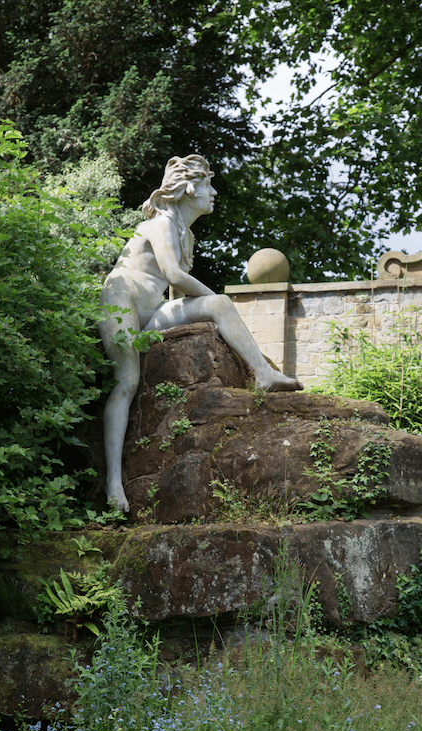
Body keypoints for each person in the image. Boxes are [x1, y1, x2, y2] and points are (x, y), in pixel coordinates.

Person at [98, 155, 303, 511]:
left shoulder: (185, 234)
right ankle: (114, 484)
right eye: (207, 185)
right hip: (119, 302)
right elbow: (175, 277)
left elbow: (176, 293)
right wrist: (210, 301)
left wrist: (209, 311)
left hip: (150, 312)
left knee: (220, 305)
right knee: (127, 381)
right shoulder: (161, 223)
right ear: (188, 189)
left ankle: (265, 373)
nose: (214, 192)